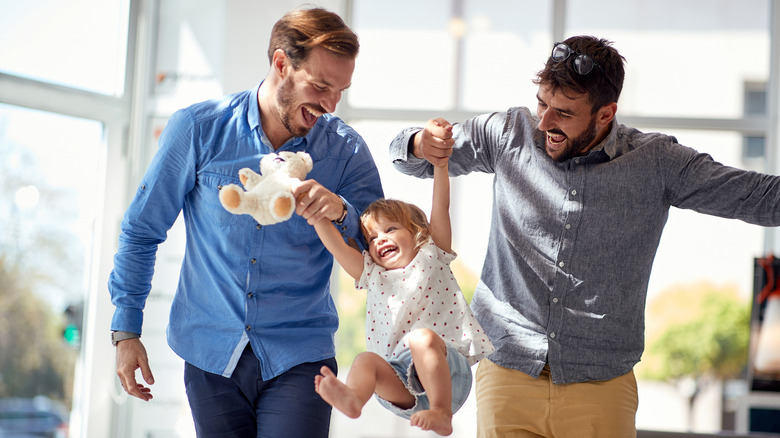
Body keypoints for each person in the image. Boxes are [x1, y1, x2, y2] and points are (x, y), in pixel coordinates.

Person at [389, 35, 780, 437]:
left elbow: (758, 197)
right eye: (541, 103)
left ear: (605, 113)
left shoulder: (656, 163)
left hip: (601, 385)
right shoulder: (509, 133)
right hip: (508, 373)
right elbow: (406, 157)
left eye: (563, 112)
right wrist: (423, 143)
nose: (544, 122)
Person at [108, 7, 383, 438]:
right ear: (280, 63)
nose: (331, 105)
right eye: (321, 86)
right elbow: (141, 230)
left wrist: (341, 211)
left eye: (341, 91)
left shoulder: (346, 151)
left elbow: (380, 253)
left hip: (301, 355)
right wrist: (126, 331)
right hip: (209, 349)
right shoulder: (198, 129)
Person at [309, 124, 494, 436]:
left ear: (416, 231)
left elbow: (441, 206)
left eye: (390, 229)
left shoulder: (432, 252)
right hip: (398, 381)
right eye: (371, 238)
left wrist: (440, 165)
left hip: (447, 371)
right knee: (365, 360)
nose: (380, 240)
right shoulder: (373, 274)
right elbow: (338, 247)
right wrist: (315, 216)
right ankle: (354, 398)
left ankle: (441, 413)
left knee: (421, 339)